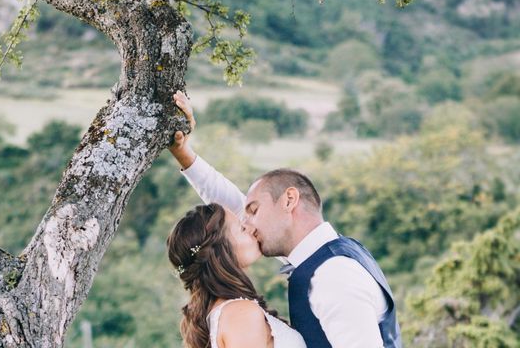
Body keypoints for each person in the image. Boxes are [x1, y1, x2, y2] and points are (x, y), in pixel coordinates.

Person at [169, 91, 402, 348]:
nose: (247, 223)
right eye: (242, 221)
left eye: (254, 211)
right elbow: (230, 212)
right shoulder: (322, 257)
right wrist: (184, 155)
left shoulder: (333, 274)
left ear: (289, 201)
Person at [167, 203, 307, 348]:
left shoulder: (229, 312)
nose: (251, 229)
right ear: (221, 251)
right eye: (241, 227)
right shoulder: (241, 314)